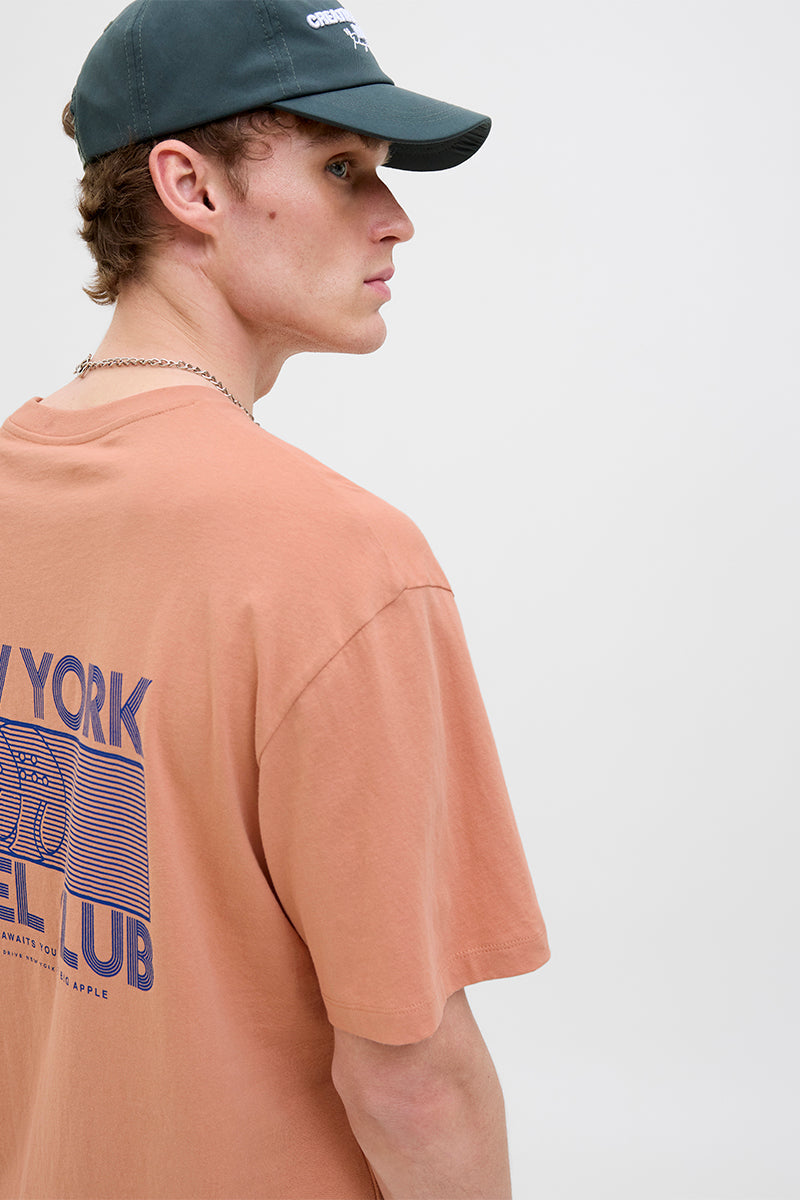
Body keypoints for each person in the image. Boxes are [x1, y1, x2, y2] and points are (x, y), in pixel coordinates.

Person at [0, 2, 550, 1197]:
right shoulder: (339, 562)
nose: (394, 217)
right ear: (189, 186)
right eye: (342, 168)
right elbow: (409, 1079)